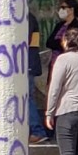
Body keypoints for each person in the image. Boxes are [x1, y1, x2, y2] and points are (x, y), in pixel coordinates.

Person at [46, 0, 78, 80]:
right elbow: (49, 42)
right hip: (54, 60)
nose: (61, 10)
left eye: (64, 7)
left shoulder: (77, 26)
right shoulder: (59, 25)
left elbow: (72, 44)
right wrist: (61, 42)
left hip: (68, 62)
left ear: (71, 10)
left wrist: (58, 43)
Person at [27, 12, 49, 144]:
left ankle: (37, 131)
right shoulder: (29, 17)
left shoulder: (27, 18)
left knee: (28, 98)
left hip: (27, 64)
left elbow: (24, 39)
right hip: (27, 63)